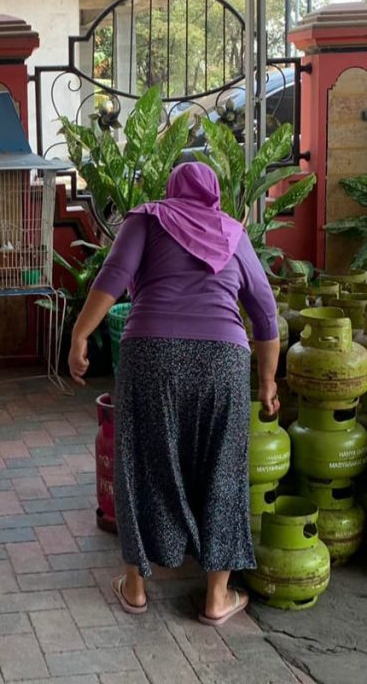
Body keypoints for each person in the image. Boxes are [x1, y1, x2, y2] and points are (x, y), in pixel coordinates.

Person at [68, 162, 279, 626]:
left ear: (170, 190)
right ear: (214, 196)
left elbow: (113, 274)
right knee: (223, 470)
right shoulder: (233, 233)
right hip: (223, 358)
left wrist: (81, 336)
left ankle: (137, 587)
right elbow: (265, 313)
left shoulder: (147, 218)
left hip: (152, 353)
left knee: (141, 462)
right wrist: (267, 383)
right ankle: (216, 597)